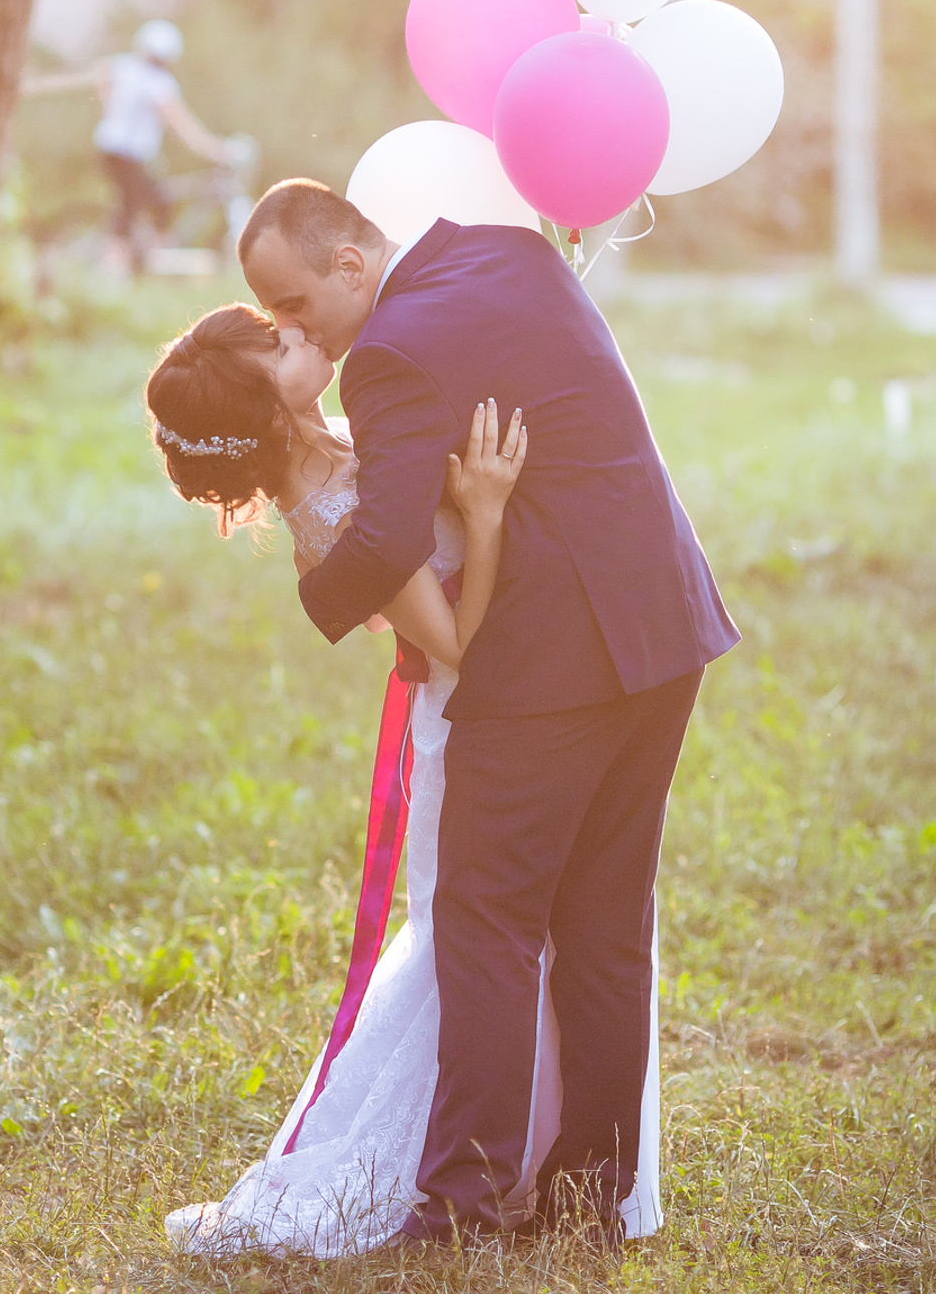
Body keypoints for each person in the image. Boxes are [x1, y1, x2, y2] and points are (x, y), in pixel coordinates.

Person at [230, 179, 736, 1252]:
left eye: (294, 303)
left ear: (352, 265)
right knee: (603, 924)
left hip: (556, 663)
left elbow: (385, 541)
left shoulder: (390, 352)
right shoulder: (509, 250)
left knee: (486, 922)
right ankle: (586, 1196)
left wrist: (315, 589)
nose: (291, 327)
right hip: (662, 624)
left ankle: (461, 1202)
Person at [144, 304, 663, 1255]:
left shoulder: (348, 431)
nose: (303, 334)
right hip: (473, 728)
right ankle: (456, 1171)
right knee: (481, 945)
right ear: (268, 405)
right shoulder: (332, 521)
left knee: (557, 938)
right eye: (282, 341)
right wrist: (488, 510)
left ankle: (550, 1162)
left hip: (537, 707)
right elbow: (458, 642)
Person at [24, 20, 246, 275]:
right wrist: (214, 148)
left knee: (157, 201)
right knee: (134, 206)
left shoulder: (123, 67)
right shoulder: (159, 82)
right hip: (130, 154)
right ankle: (117, 267)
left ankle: (145, 260)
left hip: (109, 148)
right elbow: (181, 124)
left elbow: (99, 79)